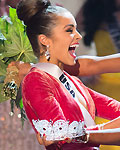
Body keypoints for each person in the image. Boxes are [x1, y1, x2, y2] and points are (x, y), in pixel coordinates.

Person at [15, 0, 120, 149]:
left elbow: (68, 136)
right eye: (69, 30)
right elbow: (63, 137)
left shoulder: (74, 83)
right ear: (44, 40)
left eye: (75, 30)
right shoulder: (36, 80)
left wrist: (84, 134)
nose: (78, 36)